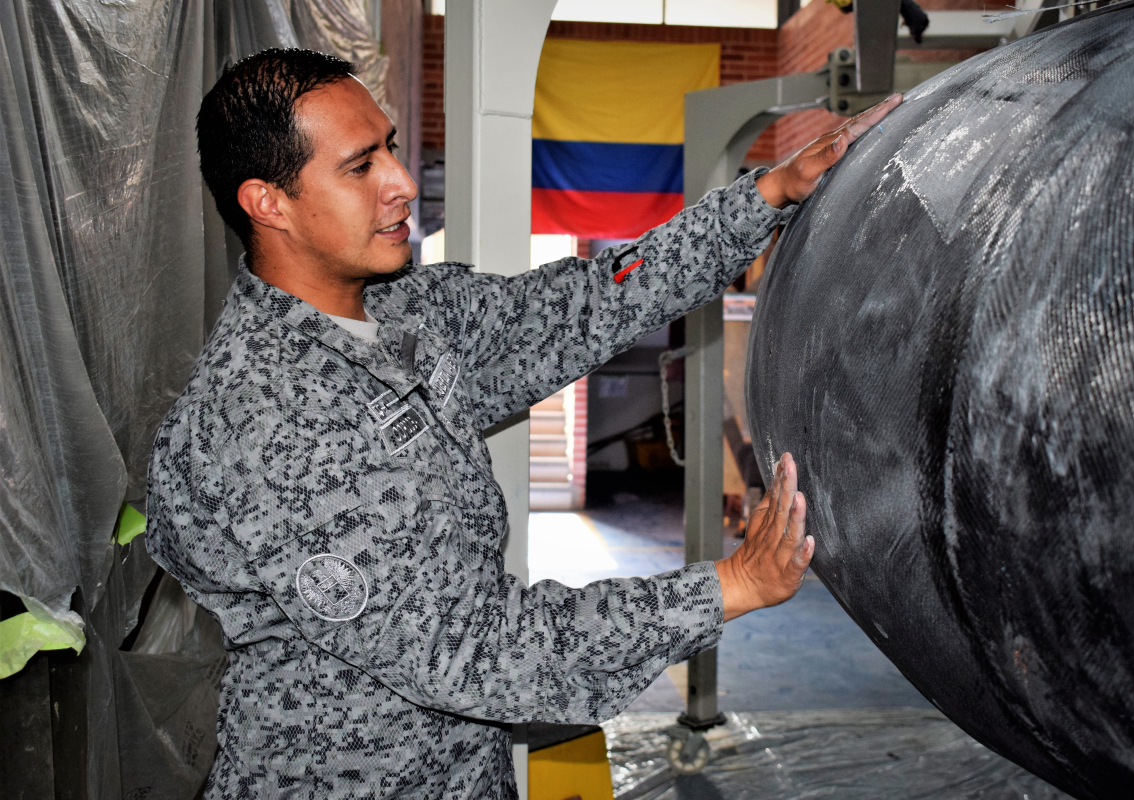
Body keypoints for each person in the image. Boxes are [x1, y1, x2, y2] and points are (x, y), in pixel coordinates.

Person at [147, 48, 901, 799]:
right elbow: (474, 650)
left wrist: (766, 194)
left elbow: (589, 303)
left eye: (391, 149)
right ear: (267, 202)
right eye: (359, 166)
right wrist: (728, 587)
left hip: (462, 770)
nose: (402, 184)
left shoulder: (403, 309)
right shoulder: (268, 418)